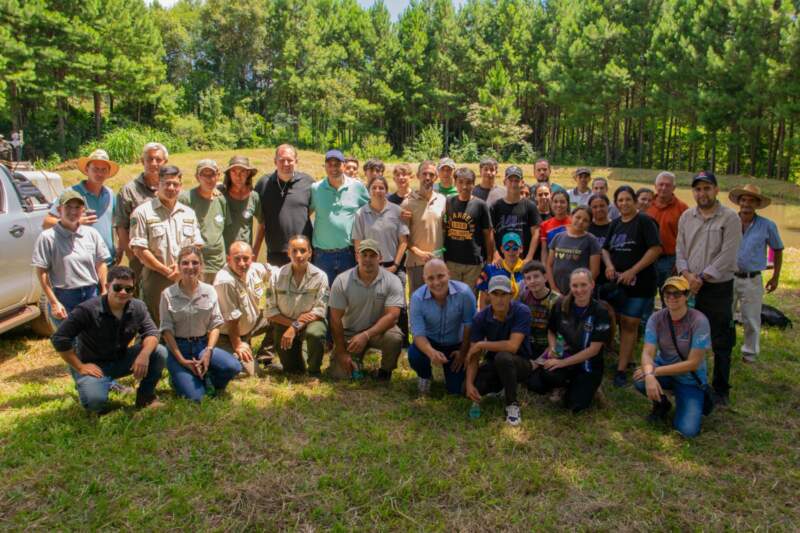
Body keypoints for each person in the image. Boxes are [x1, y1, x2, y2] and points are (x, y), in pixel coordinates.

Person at [50, 266, 168, 412]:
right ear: (107, 286)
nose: (123, 292)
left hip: (122, 359)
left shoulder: (138, 307)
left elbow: (152, 332)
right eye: (117, 287)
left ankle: (145, 397)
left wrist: (144, 355)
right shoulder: (87, 310)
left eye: (129, 289)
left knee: (159, 351)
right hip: (95, 367)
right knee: (95, 404)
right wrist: (80, 366)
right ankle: (89, 387)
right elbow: (59, 338)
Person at [675, 172, 741, 405]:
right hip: (689, 284)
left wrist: (702, 277)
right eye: (698, 189)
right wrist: (687, 274)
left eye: (706, 188)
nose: (702, 193)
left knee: (721, 338)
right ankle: (687, 378)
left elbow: (728, 254)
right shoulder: (686, 216)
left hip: (717, 287)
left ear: (716, 190)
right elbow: (680, 250)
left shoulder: (730, 218)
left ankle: (721, 388)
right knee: (687, 333)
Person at [633, 276, 711, 438]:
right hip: (665, 369)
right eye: (667, 293)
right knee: (640, 378)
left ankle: (694, 400)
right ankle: (661, 404)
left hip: (689, 379)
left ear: (687, 295)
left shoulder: (699, 321)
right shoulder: (656, 318)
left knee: (687, 431)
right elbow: (648, 352)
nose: (671, 297)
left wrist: (654, 372)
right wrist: (648, 375)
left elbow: (693, 363)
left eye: (677, 293)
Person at [160, 246, 241, 401]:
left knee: (234, 367)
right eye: (185, 263)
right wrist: (182, 360)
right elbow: (166, 330)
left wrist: (208, 352)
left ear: (201, 266)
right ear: (178, 266)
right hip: (179, 349)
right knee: (197, 398)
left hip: (202, 346)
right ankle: (178, 379)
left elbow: (216, 324)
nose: (190, 267)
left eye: (195, 263)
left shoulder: (209, 291)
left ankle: (208, 378)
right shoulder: (168, 294)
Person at [527, 268, 612, 413]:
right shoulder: (560, 304)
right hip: (564, 355)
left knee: (574, 406)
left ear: (592, 285)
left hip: (587, 364)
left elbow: (594, 350)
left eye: (583, 285)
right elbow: (551, 331)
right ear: (570, 286)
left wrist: (561, 363)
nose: (579, 290)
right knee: (535, 384)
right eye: (575, 286)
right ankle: (563, 385)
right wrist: (553, 349)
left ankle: (592, 387)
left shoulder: (600, 312)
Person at [601, 185, 662, 387]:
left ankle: (621, 369)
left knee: (629, 323)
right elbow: (605, 249)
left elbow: (655, 249)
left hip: (640, 283)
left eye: (628, 199)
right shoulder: (615, 223)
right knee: (617, 319)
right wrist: (609, 266)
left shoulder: (644, 220)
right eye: (620, 200)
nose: (624, 204)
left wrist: (633, 270)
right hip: (618, 283)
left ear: (635, 201)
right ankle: (624, 358)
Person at [129, 165, 204, 325]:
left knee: (185, 319)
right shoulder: (143, 212)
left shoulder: (188, 213)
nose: (171, 188)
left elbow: (196, 245)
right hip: (156, 276)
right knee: (156, 321)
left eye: (175, 184)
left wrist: (180, 269)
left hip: (185, 274)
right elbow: (140, 250)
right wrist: (166, 271)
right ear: (157, 184)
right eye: (166, 183)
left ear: (180, 186)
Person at [328, 240, 405, 380]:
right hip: (349, 333)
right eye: (364, 255)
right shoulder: (341, 280)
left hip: (378, 331)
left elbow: (393, 316)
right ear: (357, 256)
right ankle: (355, 364)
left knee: (394, 338)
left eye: (372, 255)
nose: (368, 259)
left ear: (380, 258)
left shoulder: (392, 280)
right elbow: (335, 319)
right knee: (339, 376)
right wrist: (340, 351)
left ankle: (384, 373)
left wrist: (366, 335)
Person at [33, 190, 110, 324]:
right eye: (68, 207)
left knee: (92, 340)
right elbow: (42, 272)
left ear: (83, 210)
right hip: (64, 296)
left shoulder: (92, 233)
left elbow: (101, 263)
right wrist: (54, 302)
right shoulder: (47, 237)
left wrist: (104, 290)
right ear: (59, 209)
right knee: (70, 342)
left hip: (91, 294)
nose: (73, 211)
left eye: (77, 207)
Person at [465, 275, 533, 426]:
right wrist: (470, 384)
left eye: (504, 294)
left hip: (520, 362)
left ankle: (512, 404)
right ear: (488, 295)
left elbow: (513, 346)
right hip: (494, 363)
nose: (499, 299)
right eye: (495, 294)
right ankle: (500, 387)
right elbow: (474, 356)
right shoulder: (480, 318)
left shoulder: (522, 311)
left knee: (503, 357)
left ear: (511, 295)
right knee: (472, 386)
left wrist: (482, 344)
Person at [352, 175, 409, 342]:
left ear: (386, 190)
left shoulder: (396, 211)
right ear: (369, 191)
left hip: (392, 265)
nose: (378, 191)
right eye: (374, 188)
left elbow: (403, 241)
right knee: (371, 304)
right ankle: (371, 338)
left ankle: (404, 342)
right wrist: (362, 265)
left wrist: (396, 265)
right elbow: (357, 241)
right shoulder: (361, 213)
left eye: (381, 188)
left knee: (400, 305)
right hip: (369, 266)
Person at [730, 184, 783, 363]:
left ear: (757, 204)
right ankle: (723, 348)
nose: (746, 204)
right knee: (724, 315)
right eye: (743, 200)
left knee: (751, 318)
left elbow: (778, 249)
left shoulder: (767, 225)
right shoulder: (729, 221)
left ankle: (749, 354)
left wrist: (775, 276)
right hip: (728, 277)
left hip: (752, 279)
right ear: (739, 202)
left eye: (751, 200)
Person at [407, 259, 476, 395]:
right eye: (430, 278)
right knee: (415, 354)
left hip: (455, 345)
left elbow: (470, 325)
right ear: (424, 279)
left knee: (456, 391)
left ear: (449, 274)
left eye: (440, 276)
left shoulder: (465, 293)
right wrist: (431, 352)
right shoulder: (417, 298)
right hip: (430, 341)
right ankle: (425, 375)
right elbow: (418, 334)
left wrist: (463, 352)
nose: (436, 283)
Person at [264, 235, 329, 375]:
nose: (299, 255)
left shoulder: (321, 276)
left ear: (310, 253)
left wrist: (296, 326)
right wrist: (292, 325)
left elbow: (320, 310)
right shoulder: (276, 276)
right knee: (294, 371)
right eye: (294, 251)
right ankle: (300, 359)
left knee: (315, 333)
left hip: (310, 323)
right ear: (288, 253)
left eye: (303, 250)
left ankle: (314, 372)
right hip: (284, 324)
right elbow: (271, 311)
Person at [43, 149, 118, 266]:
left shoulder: (110, 194)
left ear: (108, 173)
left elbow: (117, 225)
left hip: (107, 262)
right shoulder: (71, 193)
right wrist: (74, 222)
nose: (99, 173)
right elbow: (47, 222)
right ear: (87, 170)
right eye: (95, 169)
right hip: (80, 264)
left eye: (103, 170)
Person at [214, 241, 273, 376]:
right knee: (252, 373)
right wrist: (238, 345)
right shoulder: (225, 281)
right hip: (228, 335)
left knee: (279, 317)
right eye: (237, 259)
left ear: (252, 258)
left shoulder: (255, 268)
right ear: (228, 259)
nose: (242, 263)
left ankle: (265, 356)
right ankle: (228, 353)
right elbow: (232, 321)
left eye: (246, 259)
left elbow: (275, 273)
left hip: (251, 327)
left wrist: (269, 299)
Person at [311, 149, 369, 286]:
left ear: (343, 165)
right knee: (324, 296)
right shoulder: (315, 188)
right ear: (325, 167)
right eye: (329, 164)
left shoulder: (357, 187)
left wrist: (397, 211)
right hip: (322, 255)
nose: (333, 168)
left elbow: (371, 209)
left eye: (337, 164)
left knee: (350, 295)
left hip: (348, 253)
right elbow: (304, 213)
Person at [114, 142, 169, 288]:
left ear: (165, 162)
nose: (154, 163)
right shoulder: (129, 191)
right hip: (140, 259)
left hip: (167, 257)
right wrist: (133, 258)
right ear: (142, 161)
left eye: (158, 160)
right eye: (149, 159)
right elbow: (121, 227)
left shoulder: (171, 188)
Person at [253, 144, 314, 267]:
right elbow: (260, 219)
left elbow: (312, 210)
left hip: (302, 251)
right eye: (282, 160)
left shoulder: (308, 182)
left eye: (290, 160)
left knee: (304, 286)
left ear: (296, 161)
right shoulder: (263, 183)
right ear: (275, 161)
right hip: (276, 251)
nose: (286, 164)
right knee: (278, 286)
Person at [442, 167, 494, 289]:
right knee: (452, 296)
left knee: (470, 298)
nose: (464, 187)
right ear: (455, 183)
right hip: (452, 260)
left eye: (468, 183)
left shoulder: (480, 205)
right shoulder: (449, 202)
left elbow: (488, 233)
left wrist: (490, 258)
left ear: (474, 184)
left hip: (473, 262)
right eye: (460, 182)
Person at [402, 160, 447, 296]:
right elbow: (403, 237)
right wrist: (419, 253)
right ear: (418, 176)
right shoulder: (407, 203)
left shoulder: (442, 200)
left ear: (436, 178)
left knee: (439, 301)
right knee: (418, 301)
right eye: (424, 174)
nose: (427, 178)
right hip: (416, 263)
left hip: (438, 262)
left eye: (431, 174)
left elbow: (445, 229)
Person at [179, 160, 227, 282]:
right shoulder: (186, 198)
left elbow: (224, 229)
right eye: (204, 175)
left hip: (219, 264)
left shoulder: (221, 199)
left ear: (218, 176)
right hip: (196, 264)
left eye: (212, 175)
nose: (209, 179)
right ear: (197, 177)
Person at [646, 171, 689, 290]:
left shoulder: (683, 208)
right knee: (647, 293)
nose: (663, 188)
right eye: (660, 184)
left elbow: (687, 238)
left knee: (670, 295)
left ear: (674, 188)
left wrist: (679, 262)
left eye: (668, 185)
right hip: (646, 259)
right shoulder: (646, 205)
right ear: (655, 186)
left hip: (669, 260)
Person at [490, 165, 540, 264]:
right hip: (502, 260)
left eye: (516, 180)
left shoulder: (530, 206)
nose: (513, 184)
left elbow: (536, 233)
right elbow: (490, 233)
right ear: (505, 182)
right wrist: (495, 255)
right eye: (510, 180)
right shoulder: (496, 206)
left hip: (523, 260)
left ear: (522, 183)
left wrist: (529, 258)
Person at [546, 206, 601, 295]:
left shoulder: (591, 240)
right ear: (571, 217)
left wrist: (578, 290)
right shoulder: (558, 237)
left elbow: (595, 271)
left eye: (585, 220)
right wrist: (553, 287)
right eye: (578, 217)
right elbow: (549, 265)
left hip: (579, 293)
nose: (580, 222)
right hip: (557, 290)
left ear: (589, 224)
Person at [518, 260, 559, 359]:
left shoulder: (556, 301)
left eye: (536, 276)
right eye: (528, 278)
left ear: (545, 277)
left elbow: (560, 335)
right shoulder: (524, 296)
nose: (532, 281)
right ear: (525, 282)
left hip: (549, 347)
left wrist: (553, 353)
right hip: (528, 347)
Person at [220, 156, 262, 251]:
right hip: (223, 254)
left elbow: (262, 224)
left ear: (248, 173)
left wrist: (255, 251)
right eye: (234, 171)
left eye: (242, 171)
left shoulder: (254, 197)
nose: (238, 176)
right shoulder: (220, 194)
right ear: (229, 174)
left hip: (244, 254)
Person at [477, 233, 525, 307]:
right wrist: (483, 317)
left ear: (521, 249)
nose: (511, 251)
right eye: (507, 248)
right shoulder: (491, 269)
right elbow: (483, 297)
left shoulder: (526, 269)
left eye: (515, 248)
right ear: (502, 249)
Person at [539, 189, 571, 267]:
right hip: (552, 266)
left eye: (562, 202)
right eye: (555, 202)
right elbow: (544, 250)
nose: (558, 205)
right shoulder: (544, 225)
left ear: (567, 204)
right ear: (551, 204)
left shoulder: (574, 222)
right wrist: (544, 267)